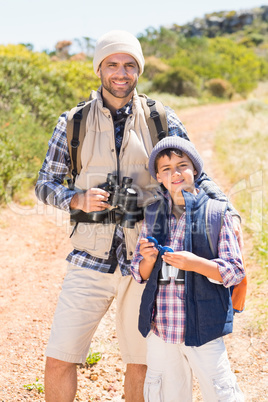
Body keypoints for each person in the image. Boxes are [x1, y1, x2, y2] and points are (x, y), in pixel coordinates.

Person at [35, 30, 242, 402]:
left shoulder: (161, 117)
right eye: (112, 64)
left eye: (130, 64)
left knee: (141, 364)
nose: (121, 72)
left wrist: (229, 213)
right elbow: (44, 183)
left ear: (138, 71)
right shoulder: (73, 122)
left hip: (145, 261)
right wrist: (75, 198)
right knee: (59, 357)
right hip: (88, 258)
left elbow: (199, 175)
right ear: (99, 68)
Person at [131, 136, 245, 401]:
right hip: (161, 328)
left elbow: (234, 270)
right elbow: (140, 272)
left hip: (204, 327)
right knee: (166, 393)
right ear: (158, 177)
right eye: (166, 169)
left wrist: (195, 264)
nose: (176, 173)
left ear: (195, 170)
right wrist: (147, 259)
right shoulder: (154, 215)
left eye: (182, 165)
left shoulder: (217, 214)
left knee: (219, 391)